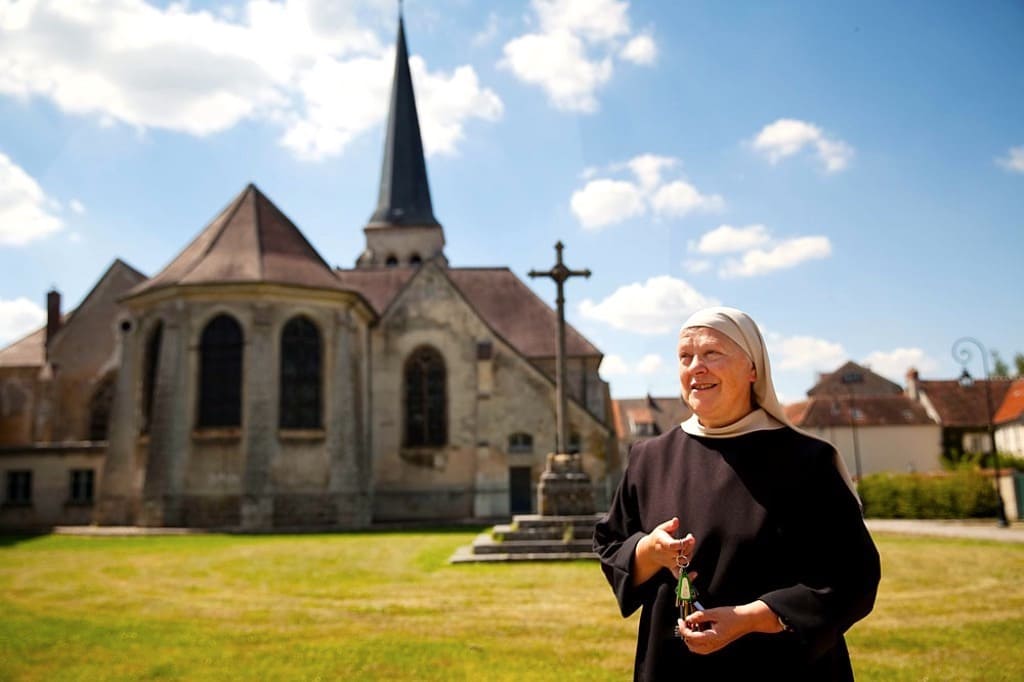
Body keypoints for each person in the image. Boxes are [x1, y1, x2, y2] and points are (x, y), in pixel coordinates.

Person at [594, 306, 880, 680]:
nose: (696, 366)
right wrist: (649, 552)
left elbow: (852, 578)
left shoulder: (808, 461)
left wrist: (749, 619)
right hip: (672, 667)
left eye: (712, 353)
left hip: (782, 668)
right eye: (685, 356)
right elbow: (612, 545)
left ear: (753, 370)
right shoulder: (649, 457)